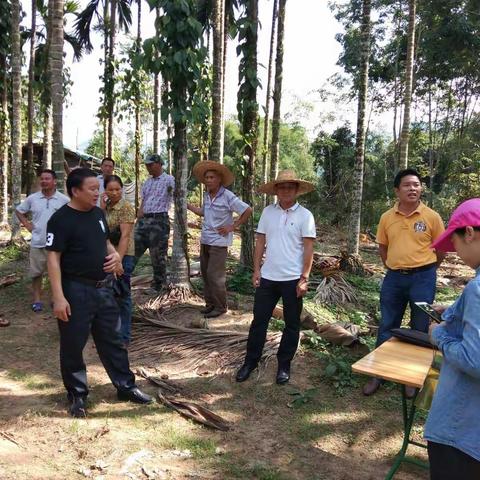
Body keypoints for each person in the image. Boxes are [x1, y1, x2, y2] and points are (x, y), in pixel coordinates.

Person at [46, 168, 152, 418]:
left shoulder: (97, 214)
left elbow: (104, 241)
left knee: (113, 340)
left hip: (103, 287)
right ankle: (77, 394)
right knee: (73, 344)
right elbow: (53, 259)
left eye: (98, 188)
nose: (98, 193)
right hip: (75, 289)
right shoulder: (60, 220)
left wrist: (114, 254)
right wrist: (59, 296)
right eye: (92, 189)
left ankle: (125, 386)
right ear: (75, 191)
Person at [363, 169, 445, 397]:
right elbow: (383, 246)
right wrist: (394, 266)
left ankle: (411, 377)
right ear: (397, 190)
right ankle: (377, 373)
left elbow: (441, 249)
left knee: (419, 328)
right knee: (388, 324)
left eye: (417, 185)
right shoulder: (387, 217)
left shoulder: (431, 217)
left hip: (423, 278)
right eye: (407, 185)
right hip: (395, 278)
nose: (413, 188)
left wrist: (426, 269)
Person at [236, 170, 316, 385]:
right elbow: (260, 242)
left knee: (291, 324)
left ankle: (284, 364)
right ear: (276, 190)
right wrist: (256, 270)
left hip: (292, 279)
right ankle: (250, 361)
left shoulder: (305, 216)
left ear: (297, 190)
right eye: (282, 187)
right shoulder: (268, 212)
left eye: (290, 186)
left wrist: (304, 278)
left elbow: (309, 249)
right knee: (259, 321)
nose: (286, 190)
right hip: (268, 277)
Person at [424, 198, 480, 479]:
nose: (456, 252)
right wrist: (456, 312)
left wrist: (441, 336)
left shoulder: (477, 288)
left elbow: (475, 360)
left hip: (463, 428)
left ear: (468, 233)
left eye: (455, 243)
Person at [188, 161, 252, 318]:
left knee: (214, 274)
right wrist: (187, 205)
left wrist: (233, 226)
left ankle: (221, 307)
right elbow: (203, 212)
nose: (208, 180)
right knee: (205, 272)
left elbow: (247, 210)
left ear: (219, 180)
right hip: (206, 240)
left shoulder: (228, 196)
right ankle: (210, 304)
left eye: (211, 177)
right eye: (206, 178)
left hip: (219, 242)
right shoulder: (208, 195)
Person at [16, 169, 69, 312]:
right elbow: (19, 211)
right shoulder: (32, 198)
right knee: (36, 273)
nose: (44, 181)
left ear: (54, 181)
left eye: (47, 179)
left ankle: (55, 298)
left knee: (57, 272)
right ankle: (37, 299)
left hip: (57, 244)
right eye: (42, 179)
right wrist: (27, 224)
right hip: (38, 241)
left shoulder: (64, 200)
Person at [101, 174, 135, 345]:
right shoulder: (105, 206)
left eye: (117, 189)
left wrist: (118, 261)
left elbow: (125, 236)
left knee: (123, 296)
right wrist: (101, 204)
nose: (114, 193)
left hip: (123, 256)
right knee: (109, 295)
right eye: (110, 189)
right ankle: (111, 333)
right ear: (105, 190)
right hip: (107, 255)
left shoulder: (126, 207)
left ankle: (124, 336)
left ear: (122, 189)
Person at [134, 153, 175, 292]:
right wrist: (139, 217)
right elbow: (144, 201)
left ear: (159, 164)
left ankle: (159, 285)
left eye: (150, 164)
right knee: (132, 249)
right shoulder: (147, 182)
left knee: (157, 255)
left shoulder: (169, 180)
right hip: (144, 220)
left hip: (159, 220)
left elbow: (176, 196)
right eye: (146, 165)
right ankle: (122, 279)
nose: (147, 167)